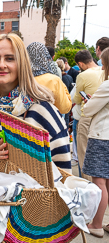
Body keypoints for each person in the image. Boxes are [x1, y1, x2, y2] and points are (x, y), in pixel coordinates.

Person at [0, 34, 71, 173]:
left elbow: (63, 175)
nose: (1, 65)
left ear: (23, 63)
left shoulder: (44, 112)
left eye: (10, 58)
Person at [81, 48, 109, 238]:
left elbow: (88, 109)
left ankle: (96, 224)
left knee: (99, 182)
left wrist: (88, 102)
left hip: (102, 136)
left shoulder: (107, 85)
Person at [73, 50, 104, 180]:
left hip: (86, 117)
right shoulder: (104, 70)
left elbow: (77, 99)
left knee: (83, 154)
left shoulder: (83, 75)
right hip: (103, 118)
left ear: (81, 64)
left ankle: (87, 186)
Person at [27, 42, 72, 115]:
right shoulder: (54, 80)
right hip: (48, 123)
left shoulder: (21, 78)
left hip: (24, 124)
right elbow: (64, 108)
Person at [57, 59, 73, 130]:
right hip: (67, 101)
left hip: (59, 102)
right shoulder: (69, 77)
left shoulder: (57, 79)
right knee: (66, 120)